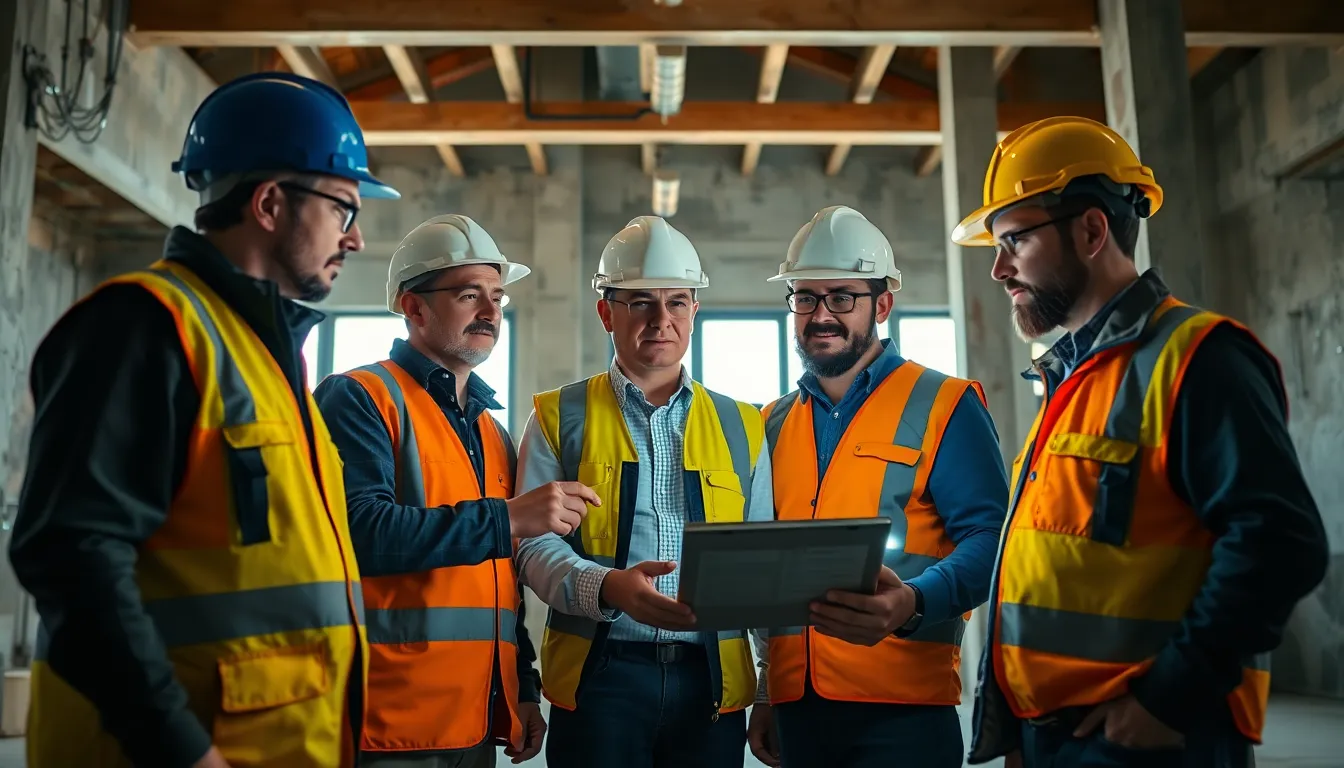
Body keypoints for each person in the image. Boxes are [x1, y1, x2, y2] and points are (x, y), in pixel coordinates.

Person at [9, 71, 399, 768]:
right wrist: (182, 749)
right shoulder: (143, 327)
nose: (356, 239)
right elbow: (73, 561)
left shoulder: (267, 357)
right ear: (270, 203)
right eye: (344, 208)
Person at [949, 116, 1329, 768]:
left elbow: (1281, 543)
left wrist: (1167, 700)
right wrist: (1018, 728)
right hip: (1055, 738)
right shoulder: (1070, 378)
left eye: (1015, 240)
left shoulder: (1199, 359)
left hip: (1150, 741)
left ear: (1091, 231)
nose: (998, 269)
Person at [313, 214, 584, 766]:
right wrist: (508, 517)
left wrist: (523, 686)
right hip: (387, 721)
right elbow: (357, 533)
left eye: (497, 298)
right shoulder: (360, 398)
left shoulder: (492, 431)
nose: (490, 312)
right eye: (469, 295)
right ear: (413, 307)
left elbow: (499, 582)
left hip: (476, 720)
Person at [745, 205, 1010, 768]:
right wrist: (767, 691)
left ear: (882, 304)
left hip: (904, 709)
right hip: (797, 708)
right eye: (805, 297)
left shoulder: (946, 403)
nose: (821, 315)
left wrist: (913, 603)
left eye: (842, 297)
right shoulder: (772, 422)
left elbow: (992, 540)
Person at [513, 216, 773, 768]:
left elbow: (764, 564)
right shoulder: (558, 416)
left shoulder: (743, 424)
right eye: (640, 302)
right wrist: (606, 588)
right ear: (606, 312)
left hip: (712, 683)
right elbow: (530, 545)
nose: (661, 320)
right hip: (600, 679)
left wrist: (771, 687)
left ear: (695, 311)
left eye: (677, 302)